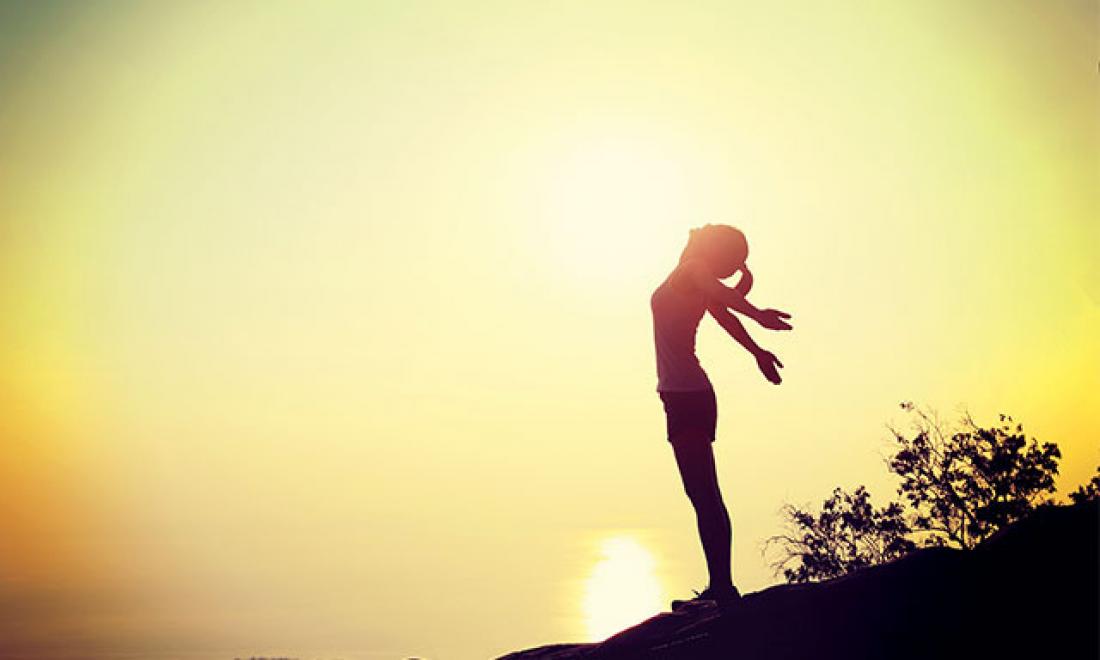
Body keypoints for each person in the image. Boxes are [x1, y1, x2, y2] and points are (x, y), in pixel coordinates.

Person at [650, 224, 792, 609]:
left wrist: (758, 316)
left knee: (704, 495)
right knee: (703, 494)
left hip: (686, 397)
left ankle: (722, 588)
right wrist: (757, 350)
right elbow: (724, 311)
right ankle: (720, 585)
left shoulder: (694, 270)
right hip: (685, 396)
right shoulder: (691, 276)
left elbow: (720, 296)